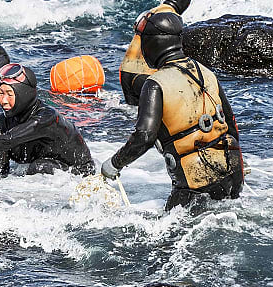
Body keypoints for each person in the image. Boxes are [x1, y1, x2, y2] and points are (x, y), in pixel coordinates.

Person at [102, 12, 243, 210]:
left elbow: (144, 136)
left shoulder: (154, 85)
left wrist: (114, 164)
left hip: (194, 184)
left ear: (151, 45)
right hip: (233, 173)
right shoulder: (206, 71)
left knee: (166, 240)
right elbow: (232, 125)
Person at [119, 0, 195, 105]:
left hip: (126, 72)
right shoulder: (169, 18)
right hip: (146, 74)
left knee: (132, 116)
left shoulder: (151, 12)